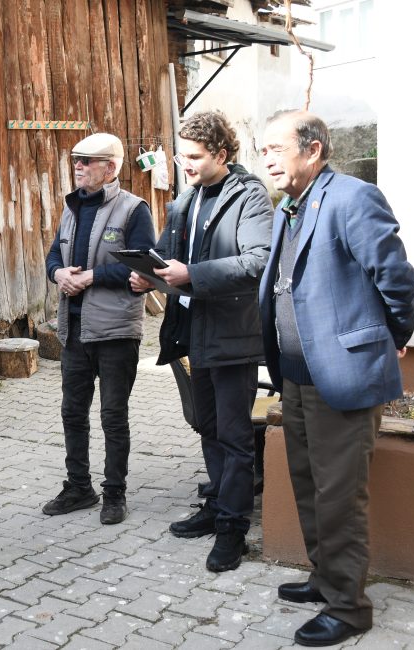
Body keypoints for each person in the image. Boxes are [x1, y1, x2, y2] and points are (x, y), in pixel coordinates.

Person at [258, 111, 414, 646]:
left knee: (340, 496)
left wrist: (392, 336)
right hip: (298, 375)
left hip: (343, 374)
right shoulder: (291, 206)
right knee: (308, 484)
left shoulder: (352, 198)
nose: (268, 159)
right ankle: (326, 578)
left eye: (277, 148)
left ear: (313, 148)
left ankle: (350, 609)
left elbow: (395, 276)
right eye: (264, 150)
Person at [130, 111, 273, 572]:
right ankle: (216, 506)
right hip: (193, 332)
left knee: (235, 435)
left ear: (222, 154)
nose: (184, 164)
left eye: (194, 157)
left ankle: (233, 527)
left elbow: (259, 261)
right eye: (181, 155)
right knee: (208, 426)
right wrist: (151, 277)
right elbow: (170, 257)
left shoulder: (249, 197)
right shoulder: (186, 199)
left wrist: (193, 274)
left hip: (233, 334)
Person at [43, 132, 156, 525]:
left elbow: (143, 265)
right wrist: (58, 273)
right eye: (75, 159)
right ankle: (79, 487)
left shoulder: (133, 210)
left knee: (112, 415)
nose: (78, 166)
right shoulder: (71, 208)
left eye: (87, 160)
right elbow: (55, 251)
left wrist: (90, 276)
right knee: (72, 412)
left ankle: (114, 493)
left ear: (110, 168)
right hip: (73, 330)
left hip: (115, 331)